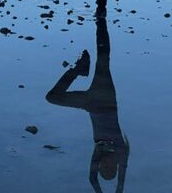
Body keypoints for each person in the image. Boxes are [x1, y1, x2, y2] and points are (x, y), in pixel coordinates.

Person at [46, 18, 130, 193]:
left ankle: (79, 68)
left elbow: (91, 178)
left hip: (90, 104)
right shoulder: (121, 149)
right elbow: (121, 180)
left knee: (52, 97)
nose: (105, 166)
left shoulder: (98, 151)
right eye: (110, 169)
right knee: (103, 58)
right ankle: (101, 23)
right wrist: (118, 190)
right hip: (106, 99)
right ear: (115, 165)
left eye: (102, 169)